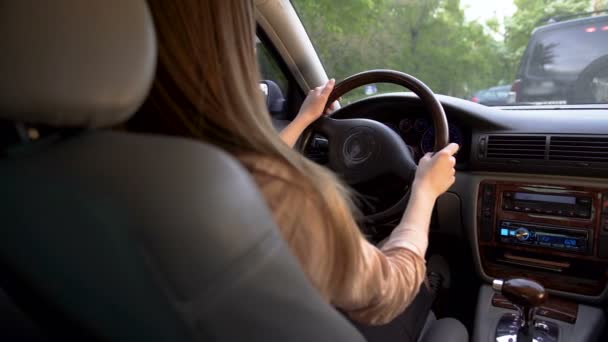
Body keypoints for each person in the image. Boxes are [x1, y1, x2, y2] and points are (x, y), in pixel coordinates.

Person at [127, 1, 458, 340]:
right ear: (225, 53)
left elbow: (250, 174)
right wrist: (424, 192)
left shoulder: (104, 169)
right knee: (442, 317)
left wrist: (303, 119)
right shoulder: (283, 189)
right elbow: (386, 293)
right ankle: (431, 284)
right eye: (249, 41)